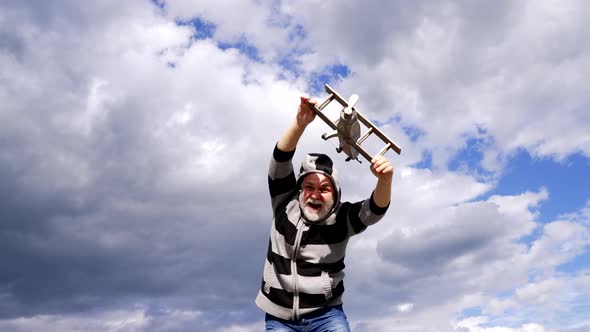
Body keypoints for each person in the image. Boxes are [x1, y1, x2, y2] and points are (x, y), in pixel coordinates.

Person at [255, 96, 394, 331]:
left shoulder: (342, 218)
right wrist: (300, 123)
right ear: (299, 190)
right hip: (279, 316)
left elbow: (374, 209)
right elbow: (280, 159)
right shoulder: (284, 204)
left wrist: (385, 180)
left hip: (326, 314)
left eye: (324, 188)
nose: (315, 194)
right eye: (308, 187)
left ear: (335, 195)